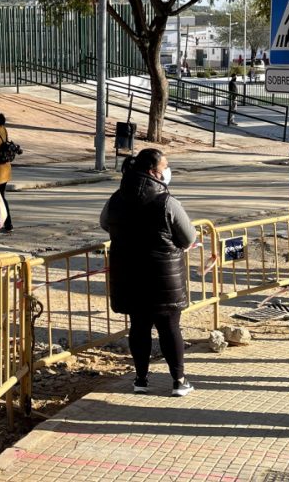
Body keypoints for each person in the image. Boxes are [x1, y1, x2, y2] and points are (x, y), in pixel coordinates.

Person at [100, 148, 196, 398]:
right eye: (165, 166)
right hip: (164, 277)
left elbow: (105, 223)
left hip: (129, 274)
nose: (168, 170)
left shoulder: (117, 198)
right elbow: (188, 237)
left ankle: (140, 380)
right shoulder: (167, 202)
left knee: (139, 326)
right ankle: (179, 381)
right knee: (170, 327)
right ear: (154, 172)